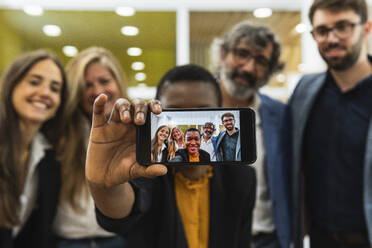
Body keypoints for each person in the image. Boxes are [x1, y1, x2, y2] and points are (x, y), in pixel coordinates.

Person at [86, 64, 256, 248]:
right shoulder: (146, 170)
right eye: (176, 112)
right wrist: (105, 188)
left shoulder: (242, 178)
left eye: (201, 111)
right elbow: (121, 215)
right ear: (157, 110)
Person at [289, 0, 372, 247]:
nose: (331, 38)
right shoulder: (305, 91)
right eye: (322, 30)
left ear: (366, 28)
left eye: (343, 27)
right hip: (319, 238)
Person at [218, 21, 291, 248]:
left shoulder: (281, 116)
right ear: (223, 54)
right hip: (208, 239)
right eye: (242, 54)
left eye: (261, 61)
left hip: (266, 239)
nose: (249, 68)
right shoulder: (195, 108)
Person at [53, 47, 126, 247]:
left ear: (118, 82)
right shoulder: (59, 135)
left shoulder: (133, 132)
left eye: (104, 81)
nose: (97, 91)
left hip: (119, 240)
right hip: (68, 241)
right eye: (86, 85)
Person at [0, 50, 67, 247]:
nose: (45, 93)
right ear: (12, 84)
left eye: (55, 88)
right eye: (34, 82)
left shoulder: (49, 157)